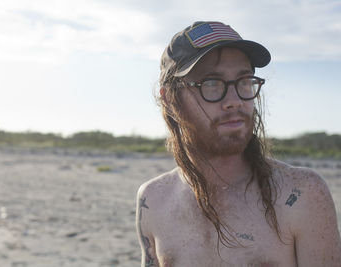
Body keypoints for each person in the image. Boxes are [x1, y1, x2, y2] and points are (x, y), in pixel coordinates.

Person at [135, 21, 341, 266]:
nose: (234, 101)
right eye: (211, 84)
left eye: (244, 81)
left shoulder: (301, 194)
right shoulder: (153, 199)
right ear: (170, 99)